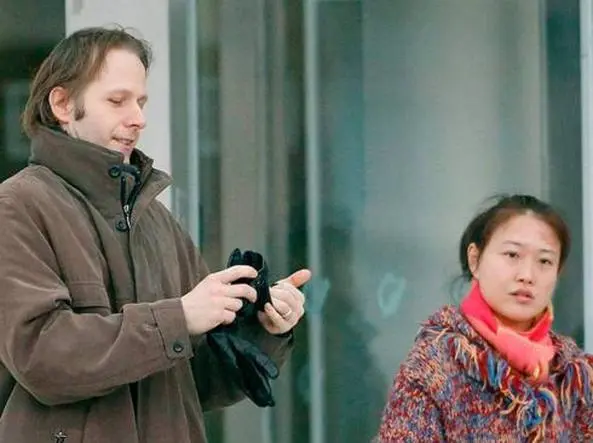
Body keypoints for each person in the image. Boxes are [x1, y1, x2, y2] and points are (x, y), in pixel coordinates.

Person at [0, 27, 310, 443]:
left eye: (141, 102)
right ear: (62, 103)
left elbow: (198, 382)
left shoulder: (157, 221)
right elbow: (41, 357)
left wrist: (262, 327)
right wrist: (178, 318)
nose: (138, 118)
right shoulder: (17, 206)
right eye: (117, 100)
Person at [376, 194, 593, 442]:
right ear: (475, 260)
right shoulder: (435, 366)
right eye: (512, 255)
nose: (527, 275)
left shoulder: (575, 377)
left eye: (545, 261)